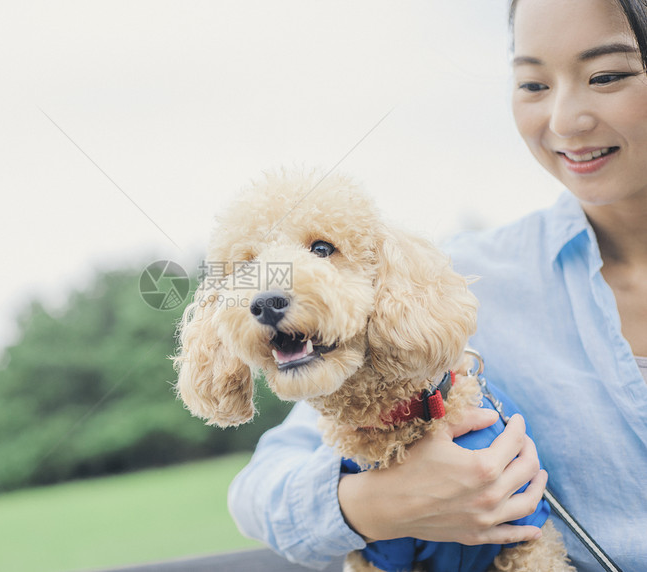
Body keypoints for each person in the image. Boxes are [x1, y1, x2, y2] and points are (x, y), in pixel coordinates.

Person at [227, 0, 647, 571]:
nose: (564, 120)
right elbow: (260, 489)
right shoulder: (465, 284)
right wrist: (377, 506)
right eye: (531, 84)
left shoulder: (428, 291)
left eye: (607, 76)